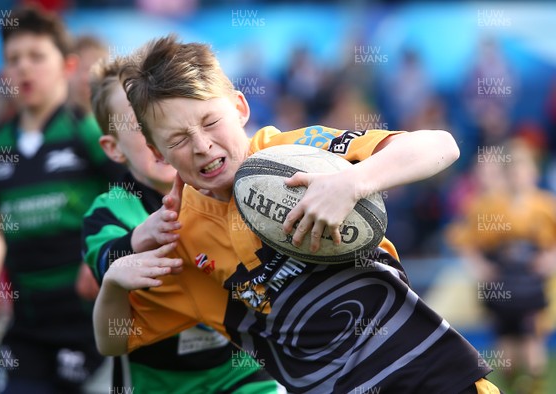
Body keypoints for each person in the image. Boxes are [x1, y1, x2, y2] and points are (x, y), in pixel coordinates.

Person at [93, 35, 502, 393]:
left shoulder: (294, 152)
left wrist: (351, 183)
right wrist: (112, 284)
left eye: (210, 121)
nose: (201, 145)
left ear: (239, 108)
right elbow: (112, 341)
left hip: (438, 375)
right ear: (157, 153)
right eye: (178, 139)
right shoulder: (182, 238)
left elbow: (441, 146)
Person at [82, 57, 282, 394]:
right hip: (160, 383)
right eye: (139, 124)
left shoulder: (229, 181)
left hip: (246, 372)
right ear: (114, 148)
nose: (156, 132)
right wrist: (133, 244)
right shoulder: (112, 209)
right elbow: (104, 267)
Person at [0, 6, 122, 392]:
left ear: (67, 66)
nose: (24, 68)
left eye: (37, 56)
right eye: (14, 59)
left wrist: (104, 252)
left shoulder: (89, 134)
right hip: (27, 328)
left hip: (93, 325)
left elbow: (130, 193)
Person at [448, 140, 556, 394]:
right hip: (501, 282)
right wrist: (480, 267)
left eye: (523, 168)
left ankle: (532, 387)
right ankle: (512, 385)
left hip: (531, 283)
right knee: (505, 346)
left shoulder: (545, 205)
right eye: (513, 170)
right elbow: (465, 241)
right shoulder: (487, 206)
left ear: (533, 171)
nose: (518, 175)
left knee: (532, 341)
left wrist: (550, 258)